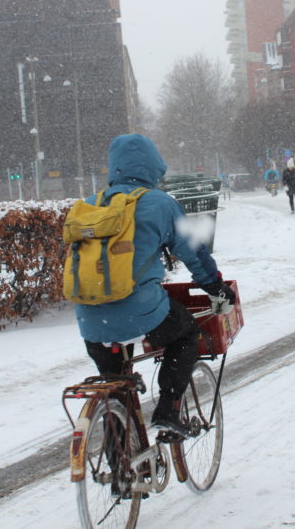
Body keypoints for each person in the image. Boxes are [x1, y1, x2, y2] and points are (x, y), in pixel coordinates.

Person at [76, 134, 235, 436]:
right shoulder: (159, 204)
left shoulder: (89, 205)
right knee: (186, 333)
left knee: (114, 388)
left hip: (91, 318)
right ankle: (168, 410)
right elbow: (194, 252)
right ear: (152, 167)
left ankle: (121, 472)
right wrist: (214, 286)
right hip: (140, 310)